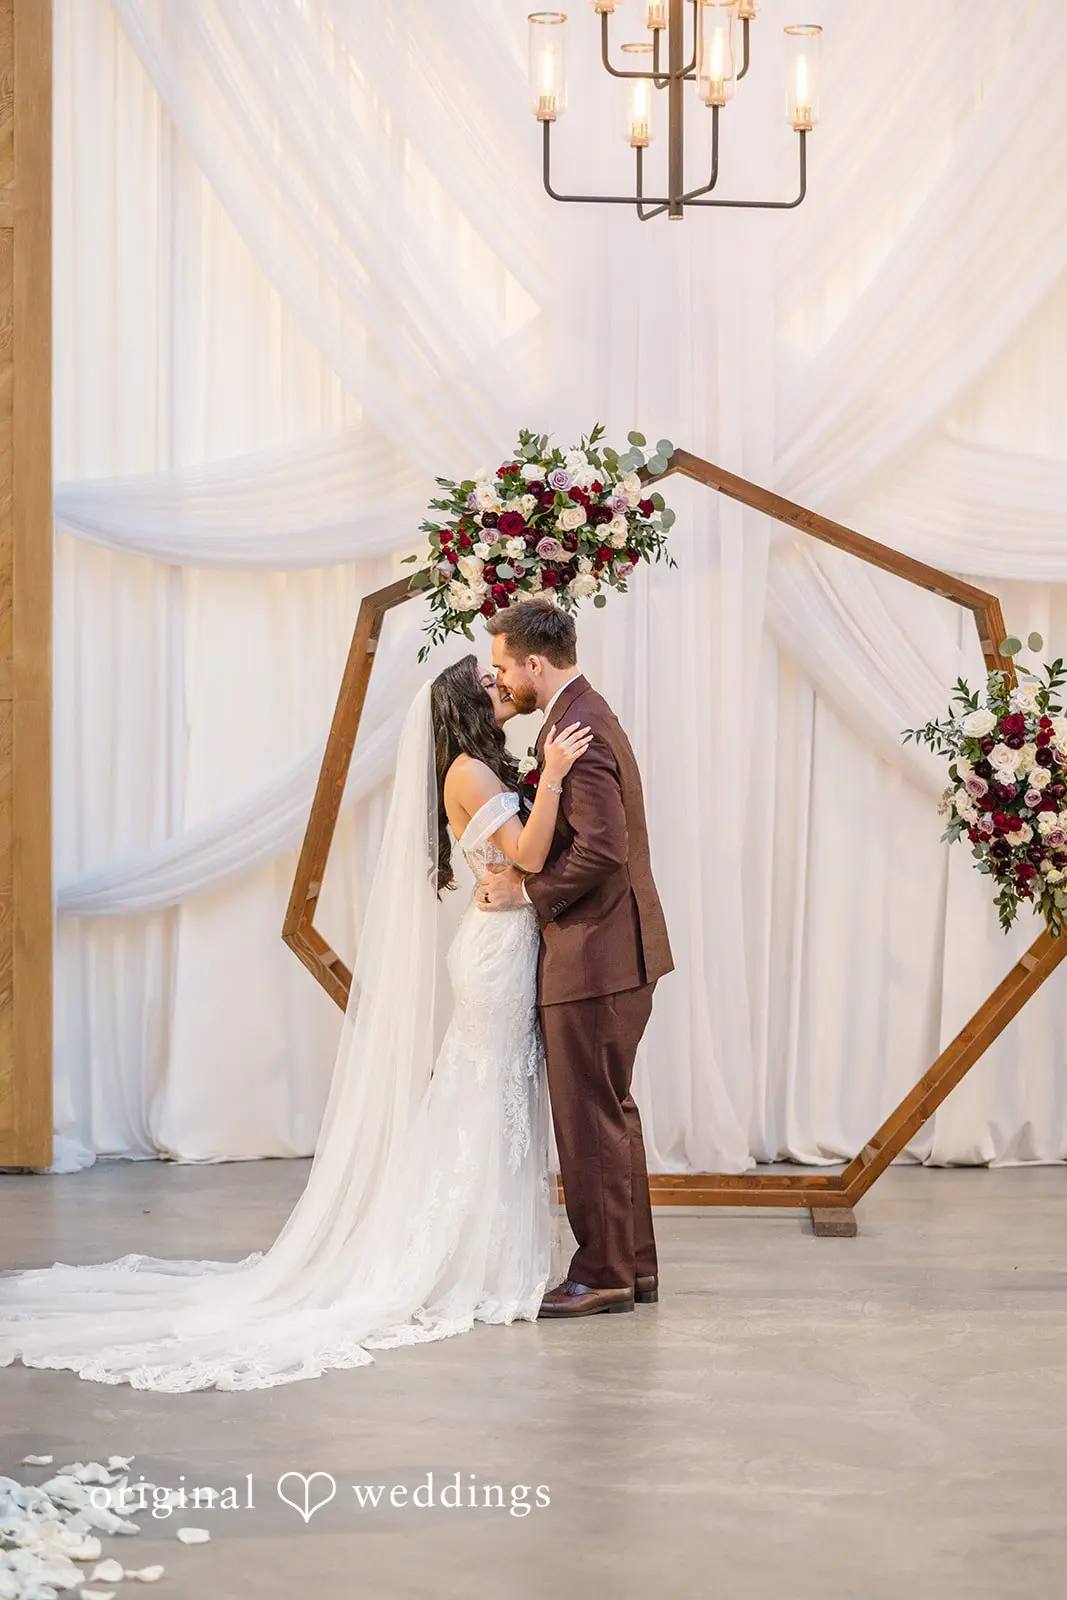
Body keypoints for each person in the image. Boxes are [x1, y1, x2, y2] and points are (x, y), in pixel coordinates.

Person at [0, 656, 590, 1391]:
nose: (503, 687)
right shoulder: (469, 771)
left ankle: (482, 1251)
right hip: (496, 957)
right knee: (485, 1097)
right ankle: (454, 1260)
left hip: (503, 942)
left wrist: (522, 866)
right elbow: (529, 852)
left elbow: (520, 863)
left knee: (490, 1097)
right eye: (489, 683)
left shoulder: (478, 767)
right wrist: (557, 779)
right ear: (465, 708)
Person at [480, 600, 674, 1318]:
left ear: (536, 662)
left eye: (504, 667)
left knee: (588, 1118)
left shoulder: (575, 726)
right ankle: (632, 1267)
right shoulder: (579, 713)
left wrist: (526, 892)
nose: (502, 680)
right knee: (609, 1112)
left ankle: (601, 1274)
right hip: (615, 949)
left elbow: (601, 848)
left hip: (596, 954)